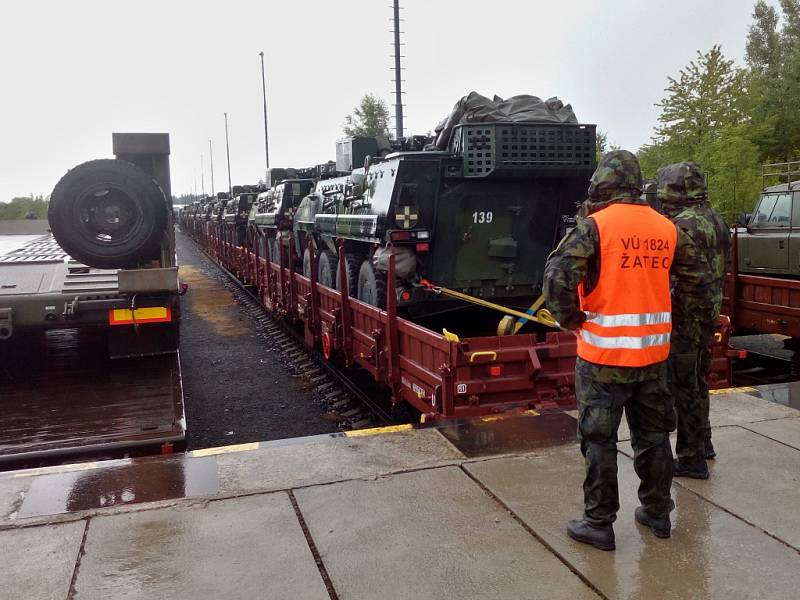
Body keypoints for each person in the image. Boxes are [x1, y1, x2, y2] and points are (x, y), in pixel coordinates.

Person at [544, 150, 702, 551]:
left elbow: (557, 277)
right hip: (652, 358)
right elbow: (698, 274)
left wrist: (571, 318)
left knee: (599, 440)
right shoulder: (667, 228)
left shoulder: (594, 227)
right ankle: (658, 513)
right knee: (653, 437)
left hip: (603, 360)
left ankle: (599, 523)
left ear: (603, 184)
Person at [657, 163, 731, 478]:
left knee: (683, 385)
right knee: (699, 380)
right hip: (708, 312)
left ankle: (690, 456)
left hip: (684, 316)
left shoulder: (679, 226)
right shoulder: (717, 220)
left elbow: (672, 276)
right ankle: (704, 442)